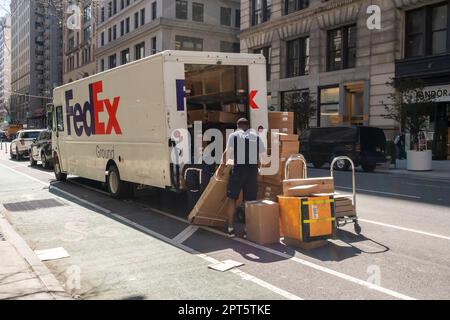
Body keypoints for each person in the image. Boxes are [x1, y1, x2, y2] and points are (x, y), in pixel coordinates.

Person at [216, 118, 265, 237]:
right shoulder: (257, 137)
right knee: (249, 202)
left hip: (238, 171)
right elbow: (262, 158)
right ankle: (247, 231)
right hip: (252, 171)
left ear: (237, 126)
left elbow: (227, 153)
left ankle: (231, 229)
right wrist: (259, 173)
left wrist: (220, 169)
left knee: (232, 199)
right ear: (248, 126)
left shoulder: (234, 136)